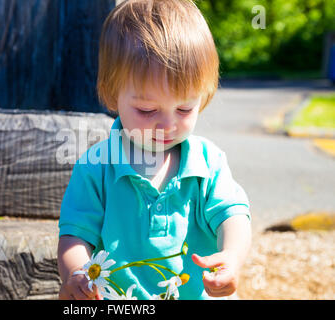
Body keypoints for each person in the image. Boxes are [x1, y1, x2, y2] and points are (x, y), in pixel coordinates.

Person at [57, 0, 251, 300]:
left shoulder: (208, 162)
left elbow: (233, 216)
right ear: (112, 94)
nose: (167, 124)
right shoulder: (96, 166)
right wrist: (77, 275)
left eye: (185, 108)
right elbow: (75, 235)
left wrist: (232, 257)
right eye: (147, 110)